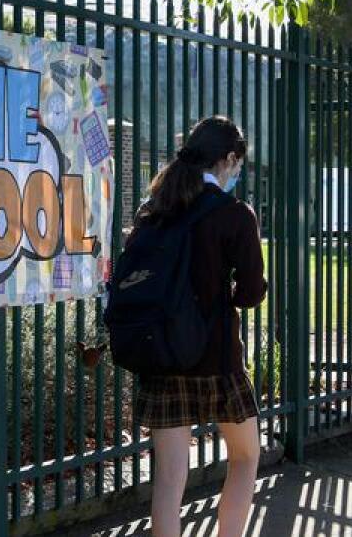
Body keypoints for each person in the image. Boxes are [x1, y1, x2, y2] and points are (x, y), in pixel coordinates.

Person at [130, 116, 268, 537]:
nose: (238, 172)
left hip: (161, 353)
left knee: (170, 478)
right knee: (245, 457)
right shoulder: (235, 214)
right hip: (217, 356)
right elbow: (249, 292)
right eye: (238, 164)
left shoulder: (155, 209)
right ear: (228, 159)